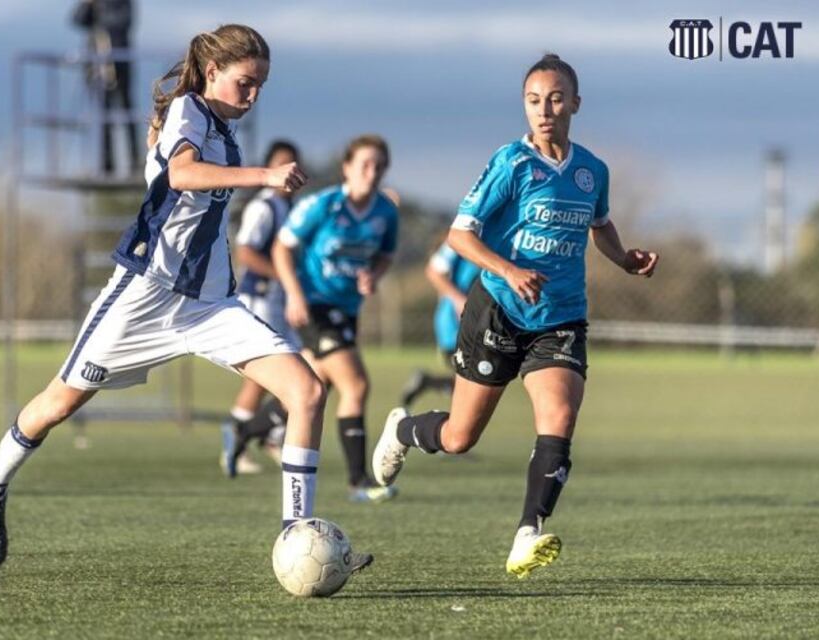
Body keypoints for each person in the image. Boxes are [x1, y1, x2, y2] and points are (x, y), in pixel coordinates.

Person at [0, 25, 372, 579]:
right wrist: (263, 175)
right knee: (58, 405)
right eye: (245, 82)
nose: (253, 95)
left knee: (307, 390)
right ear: (213, 73)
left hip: (208, 306)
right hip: (144, 297)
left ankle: (295, 538)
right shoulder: (188, 110)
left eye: (261, 85)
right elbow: (182, 174)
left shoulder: (222, 132)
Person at [372, 54, 659, 579]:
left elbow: (601, 225)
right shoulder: (511, 163)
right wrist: (509, 269)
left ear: (574, 103)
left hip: (561, 318)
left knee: (560, 416)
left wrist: (625, 259)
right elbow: (460, 236)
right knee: (459, 437)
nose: (544, 110)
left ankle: (528, 531)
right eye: (533, 100)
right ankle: (404, 430)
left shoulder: (592, 171)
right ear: (524, 106)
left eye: (554, 98)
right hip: (499, 312)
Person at [264, 134, 400, 504]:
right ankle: (358, 482)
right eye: (364, 165)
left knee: (313, 384)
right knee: (356, 385)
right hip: (313, 306)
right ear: (348, 168)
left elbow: (385, 254)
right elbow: (281, 247)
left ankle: (253, 426)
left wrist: (374, 274)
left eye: (379, 166)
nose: (371, 173)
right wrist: (293, 293)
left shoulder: (386, 213)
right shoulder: (322, 206)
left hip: (348, 309)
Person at [219, 140, 303, 476]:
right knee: (276, 369)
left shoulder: (289, 208)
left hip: (279, 300)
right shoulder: (264, 207)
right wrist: (282, 274)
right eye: (282, 164)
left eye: (293, 164)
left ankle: (262, 434)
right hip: (260, 297)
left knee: (277, 373)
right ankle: (241, 436)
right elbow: (246, 253)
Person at [399, 240, 480, 409]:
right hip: (455, 327)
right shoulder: (464, 235)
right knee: (473, 389)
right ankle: (408, 431)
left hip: (480, 325)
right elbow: (434, 272)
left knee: (476, 386)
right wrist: (459, 300)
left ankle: (429, 383)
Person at [72, 0, 139, 175]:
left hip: (120, 62)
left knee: (126, 113)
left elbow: (123, 22)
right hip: (99, 66)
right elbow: (78, 20)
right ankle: (107, 163)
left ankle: (134, 162)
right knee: (103, 115)